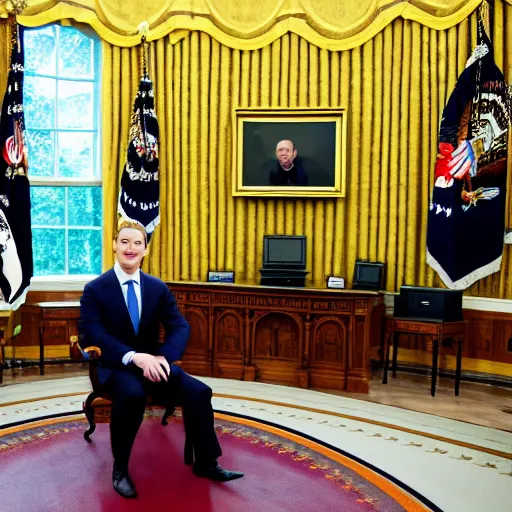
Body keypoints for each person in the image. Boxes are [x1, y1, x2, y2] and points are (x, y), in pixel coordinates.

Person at [79, 222, 243, 499]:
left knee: (199, 391)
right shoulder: (96, 288)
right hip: (116, 366)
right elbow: (93, 333)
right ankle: (120, 469)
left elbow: (180, 327)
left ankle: (206, 462)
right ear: (114, 246)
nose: (130, 248)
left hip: (154, 365)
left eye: (137, 243)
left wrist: (162, 358)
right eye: (124, 242)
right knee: (131, 395)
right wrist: (135, 357)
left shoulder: (157, 287)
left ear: (146, 249)